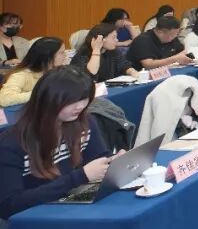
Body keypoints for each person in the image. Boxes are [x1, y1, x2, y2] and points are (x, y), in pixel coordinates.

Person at [0, 66, 115, 219]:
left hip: (71, 205)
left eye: (84, 99)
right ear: (49, 100)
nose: (80, 106)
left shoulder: (85, 123)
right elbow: (9, 205)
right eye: (73, 101)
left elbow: (99, 156)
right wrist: (80, 177)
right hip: (35, 218)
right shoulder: (11, 144)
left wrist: (114, 161)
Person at [0, 38, 67, 107]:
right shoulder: (21, 75)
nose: (65, 56)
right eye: (61, 53)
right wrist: (41, 93)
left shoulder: (56, 71)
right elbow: (4, 99)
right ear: (48, 56)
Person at [71, 24, 139, 83]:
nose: (117, 40)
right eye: (113, 37)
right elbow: (90, 74)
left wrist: (132, 72)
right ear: (100, 39)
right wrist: (96, 50)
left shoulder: (113, 51)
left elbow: (124, 65)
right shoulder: (82, 55)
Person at [126, 16, 193, 70]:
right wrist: (175, 59)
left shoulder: (172, 37)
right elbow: (148, 65)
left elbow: (182, 52)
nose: (175, 36)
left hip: (165, 72)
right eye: (173, 34)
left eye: (177, 34)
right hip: (139, 77)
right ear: (160, 32)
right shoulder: (143, 40)